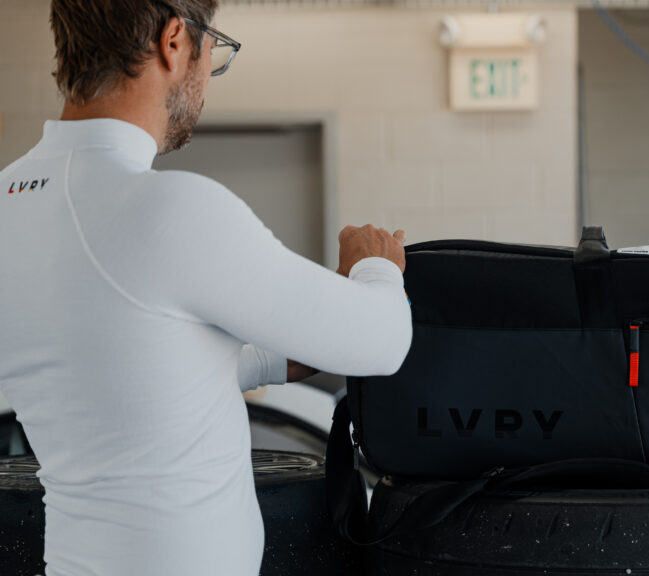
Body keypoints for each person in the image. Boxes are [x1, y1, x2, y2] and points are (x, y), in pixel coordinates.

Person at [0, 1, 412, 574]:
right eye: (213, 49)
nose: (208, 75)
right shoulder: (167, 209)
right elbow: (382, 341)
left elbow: (120, 371)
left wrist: (274, 358)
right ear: (174, 41)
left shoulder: (11, 204)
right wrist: (376, 265)